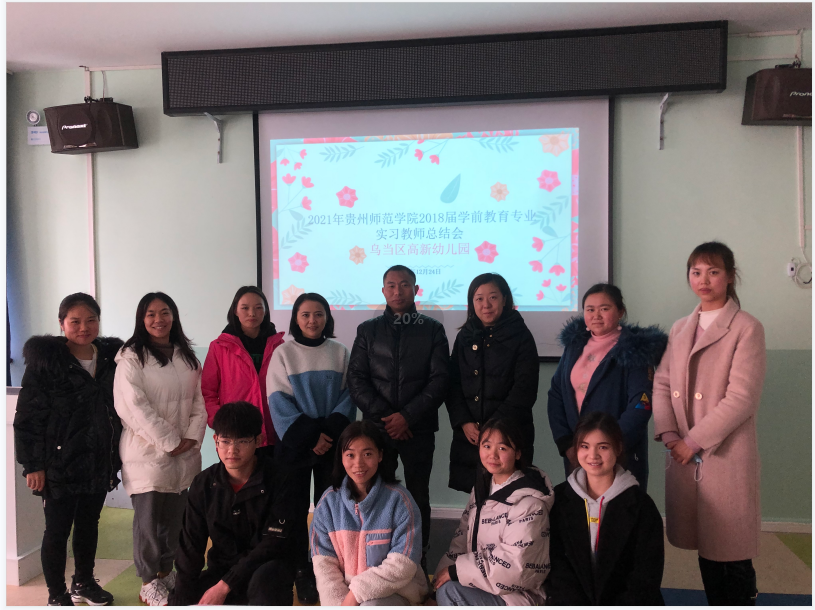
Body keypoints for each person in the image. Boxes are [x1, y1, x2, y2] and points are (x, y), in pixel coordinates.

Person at [653, 241, 766, 605]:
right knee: (706, 546)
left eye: (713, 272)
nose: (703, 280)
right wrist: (670, 434)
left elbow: (742, 398)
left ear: (730, 277)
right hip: (683, 452)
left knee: (730, 549)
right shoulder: (680, 328)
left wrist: (693, 441)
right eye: (696, 272)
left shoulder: (747, 327)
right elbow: (662, 383)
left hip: (724, 453)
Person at [13, 293, 123, 606]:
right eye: (75, 321)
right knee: (57, 530)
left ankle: (84, 583)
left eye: (91, 320)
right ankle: (57, 594)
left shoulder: (111, 359)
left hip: (98, 460)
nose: (83, 327)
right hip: (58, 463)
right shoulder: (46, 364)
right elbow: (28, 418)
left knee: (89, 525)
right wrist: (33, 465)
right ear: (62, 324)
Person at [347, 265, 449, 571]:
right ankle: (376, 558)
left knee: (418, 494)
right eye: (391, 285)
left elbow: (440, 380)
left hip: (419, 428)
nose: (397, 291)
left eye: (404, 285)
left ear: (415, 290)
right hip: (377, 432)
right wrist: (389, 419)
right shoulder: (368, 330)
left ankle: (418, 557)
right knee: (376, 491)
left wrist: (407, 417)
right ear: (383, 291)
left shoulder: (432, 330)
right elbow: (356, 380)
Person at [114, 292, 207, 606]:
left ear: (174, 316)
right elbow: (133, 407)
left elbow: (199, 401)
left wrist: (191, 438)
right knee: (149, 525)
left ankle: (166, 573)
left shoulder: (186, 356)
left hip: (184, 456)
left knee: (177, 522)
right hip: (146, 455)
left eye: (165, 312)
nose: (159, 319)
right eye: (151, 314)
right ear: (142, 319)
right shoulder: (131, 358)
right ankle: (148, 581)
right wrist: (170, 441)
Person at [267, 292, 356, 605]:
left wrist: (327, 435)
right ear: (296, 318)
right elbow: (278, 402)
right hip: (295, 447)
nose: (312, 320)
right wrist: (311, 437)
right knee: (293, 512)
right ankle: (301, 571)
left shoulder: (340, 352)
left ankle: (327, 568)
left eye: (319, 314)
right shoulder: (283, 354)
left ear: (327, 318)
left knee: (329, 509)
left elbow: (349, 397)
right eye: (305, 314)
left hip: (332, 445)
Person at [169, 401, 297, 606]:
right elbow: (191, 546)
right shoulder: (203, 483)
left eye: (242, 441)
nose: (232, 450)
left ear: (258, 441)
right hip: (222, 571)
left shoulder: (281, 479)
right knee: (184, 594)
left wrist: (225, 586)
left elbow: (273, 545)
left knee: (265, 583)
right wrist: (181, 601)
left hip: (266, 570)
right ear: (216, 441)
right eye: (225, 441)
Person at [547, 283, 667, 490]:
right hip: (578, 452)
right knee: (581, 506)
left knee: (620, 507)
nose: (596, 315)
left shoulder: (634, 350)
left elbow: (641, 404)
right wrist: (567, 443)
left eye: (604, 308)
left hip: (620, 453)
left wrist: (610, 446)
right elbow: (557, 394)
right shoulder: (574, 346)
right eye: (590, 309)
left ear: (620, 311)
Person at [546, 412, 664, 605]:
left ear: (618, 448)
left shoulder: (641, 505)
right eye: (585, 446)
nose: (593, 455)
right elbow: (555, 564)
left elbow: (645, 575)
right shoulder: (559, 499)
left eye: (603, 447)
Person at [434, 418, 555, 606]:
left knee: (450, 593)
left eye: (502, 448)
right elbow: (460, 542)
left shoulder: (530, 503)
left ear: (517, 453)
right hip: (481, 585)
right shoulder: (481, 489)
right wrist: (438, 582)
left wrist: (456, 572)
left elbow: (516, 566)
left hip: (515, 596)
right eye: (487, 446)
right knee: (440, 590)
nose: (493, 455)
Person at [310, 420, 428, 606]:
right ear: (341, 457)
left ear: (380, 455)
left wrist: (355, 595)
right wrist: (340, 604)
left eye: (367, 454)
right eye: (350, 455)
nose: (358, 464)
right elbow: (324, 566)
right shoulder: (328, 503)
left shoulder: (400, 500)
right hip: (346, 597)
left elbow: (402, 565)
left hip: (397, 591)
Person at [446, 273, 539, 493]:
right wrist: (464, 421)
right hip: (471, 435)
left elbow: (525, 389)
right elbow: (452, 383)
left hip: (509, 432)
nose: (486, 305)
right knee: (475, 495)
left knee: (508, 493)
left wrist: (492, 430)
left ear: (505, 299)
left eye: (493, 297)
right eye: (479, 298)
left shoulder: (521, 336)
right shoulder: (465, 336)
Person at [202, 286, 284, 459]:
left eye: (258, 307)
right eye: (245, 308)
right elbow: (207, 392)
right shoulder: (219, 347)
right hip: (235, 434)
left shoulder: (280, 346)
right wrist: (220, 422)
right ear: (235, 311)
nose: (252, 313)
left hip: (275, 431)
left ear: (266, 311)